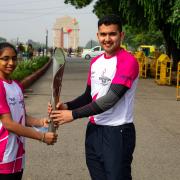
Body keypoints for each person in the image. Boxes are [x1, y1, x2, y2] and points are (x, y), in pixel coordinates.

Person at [50, 14, 139, 180]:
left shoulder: (128, 61)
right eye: (103, 34)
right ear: (98, 35)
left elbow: (110, 99)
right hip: (94, 131)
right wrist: (67, 106)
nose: (107, 39)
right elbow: (88, 96)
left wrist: (73, 115)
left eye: (112, 34)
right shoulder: (95, 62)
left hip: (117, 132)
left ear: (121, 35)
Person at [0, 42, 58, 180]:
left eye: (14, 58)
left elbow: (21, 116)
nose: (11, 62)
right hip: (3, 155)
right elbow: (8, 124)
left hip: (17, 153)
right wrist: (42, 137)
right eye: (5, 58)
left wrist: (40, 122)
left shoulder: (16, 85)